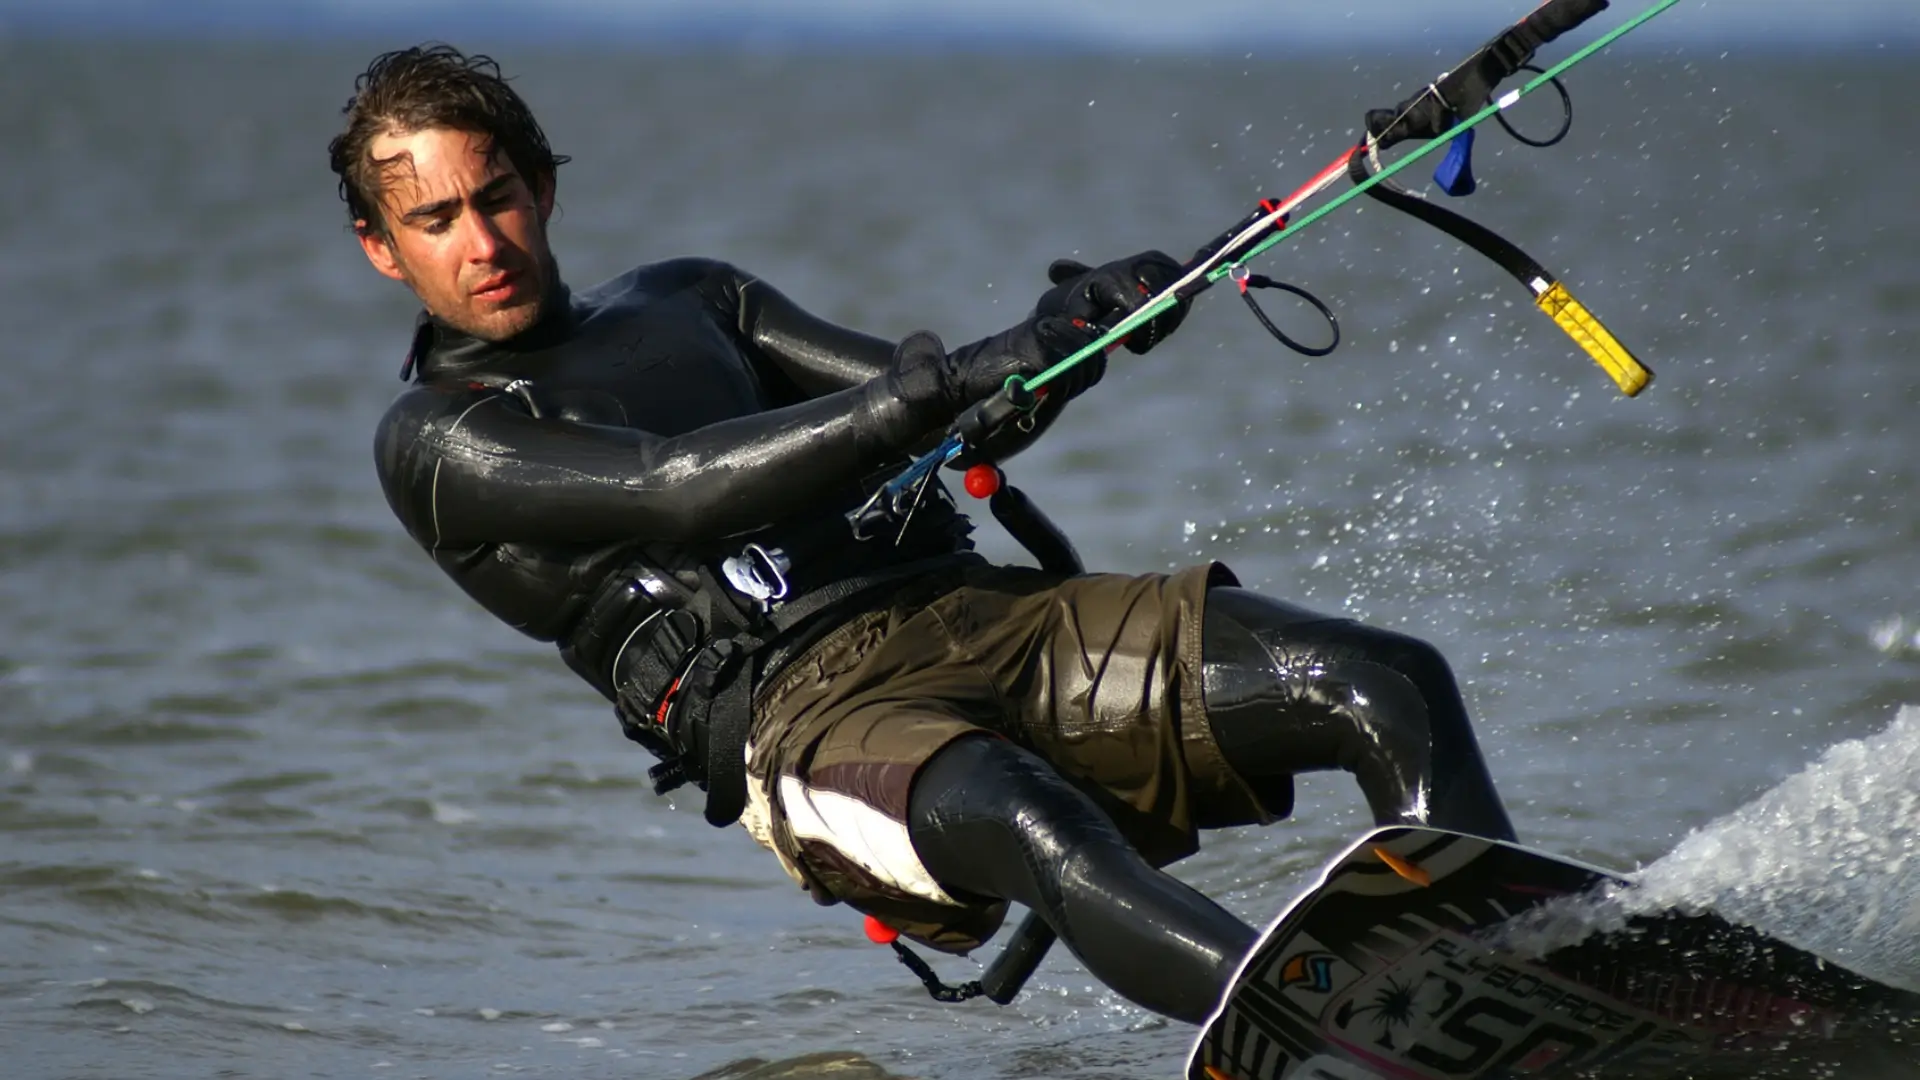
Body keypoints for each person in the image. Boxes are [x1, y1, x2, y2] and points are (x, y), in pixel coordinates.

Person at [330, 44, 1517, 1025]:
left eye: (494, 198)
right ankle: (1339, 1042)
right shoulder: (441, 440)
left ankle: (1512, 984)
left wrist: (1068, 337)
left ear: (542, 188)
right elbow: (676, 487)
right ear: (385, 250)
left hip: (979, 611)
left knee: (1386, 683)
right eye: (434, 220)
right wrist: (920, 397)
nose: (480, 242)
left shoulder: (694, 298)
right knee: (1034, 819)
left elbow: (945, 400)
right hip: (807, 721)